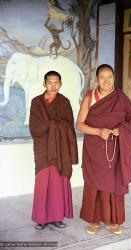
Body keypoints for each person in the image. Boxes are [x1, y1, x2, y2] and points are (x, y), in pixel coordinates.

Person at [76, 64, 131, 235]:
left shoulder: (121, 97)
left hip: (114, 150)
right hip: (94, 149)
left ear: (114, 78)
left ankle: (112, 220)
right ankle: (94, 220)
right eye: (102, 77)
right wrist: (98, 131)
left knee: (112, 184)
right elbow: (79, 125)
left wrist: (122, 130)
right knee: (93, 185)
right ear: (96, 79)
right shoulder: (90, 97)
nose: (106, 80)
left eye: (109, 77)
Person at [29, 70, 78, 230]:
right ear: (44, 84)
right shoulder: (36, 102)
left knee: (58, 181)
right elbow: (35, 127)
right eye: (49, 82)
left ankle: (57, 217)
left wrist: (53, 126)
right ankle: (41, 219)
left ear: (61, 84)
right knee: (43, 181)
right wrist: (54, 125)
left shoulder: (64, 102)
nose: (53, 86)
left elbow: (69, 125)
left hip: (60, 148)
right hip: (43, 147)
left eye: (56, 82)